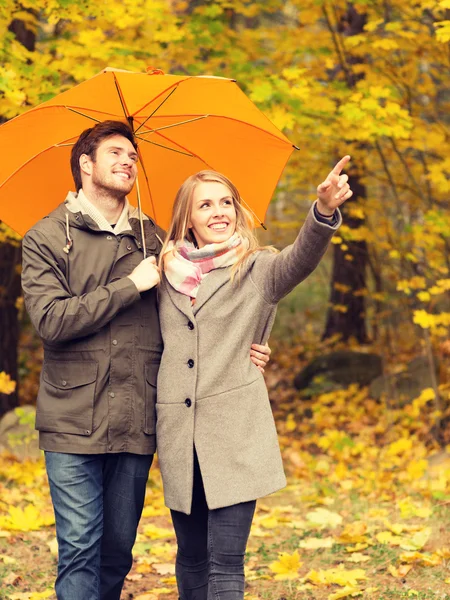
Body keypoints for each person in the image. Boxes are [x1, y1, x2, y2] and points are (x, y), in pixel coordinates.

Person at [21, 120, 270, 600]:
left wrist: (250, 347)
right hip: (72, 420)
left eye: (133, 155)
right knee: (79, 549)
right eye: (115, 152)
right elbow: (51, 320)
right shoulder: (47, 237)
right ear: (85, 164)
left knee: (117, 550)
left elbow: (201, 314)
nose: (127, 161)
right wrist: (129, 286)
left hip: (138, 417)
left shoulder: (156, 241)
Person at [156, 157, 352, 600]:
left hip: (235, 432)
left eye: (227, 202)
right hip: (179, 438)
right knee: (189, 558)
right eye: (205, 205)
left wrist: (321, 213)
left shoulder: (257, 268)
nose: (219, 211)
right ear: (187, 218)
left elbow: (300, 260)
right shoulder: (163, 274)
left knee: (225, 564)